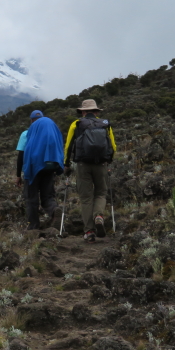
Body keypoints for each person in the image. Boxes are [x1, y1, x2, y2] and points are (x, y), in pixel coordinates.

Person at [63, 99, 117, 242]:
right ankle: (98, 215)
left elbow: (68, 146)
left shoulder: (77, 124)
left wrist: (66, 164)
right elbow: (113, 146)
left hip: (83, 165)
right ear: (97, 111)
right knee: (101, 193)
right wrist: (109, 161)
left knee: (86, 198)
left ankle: (89, 231)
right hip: (101, 164)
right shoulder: (105, 124)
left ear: (83, 111)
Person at [20, 112, 65, 230]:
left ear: (31, 121)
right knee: (48, 195)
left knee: (31, 197)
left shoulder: (29, 132)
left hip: (34, 167)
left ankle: (33, 227)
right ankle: (54, 211)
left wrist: (19, 173)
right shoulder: (52, 129)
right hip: (50, 166)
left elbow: (23, 154)